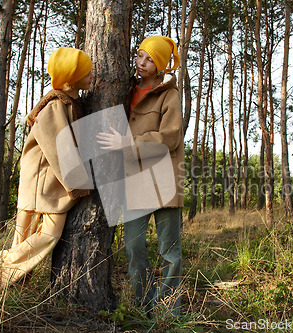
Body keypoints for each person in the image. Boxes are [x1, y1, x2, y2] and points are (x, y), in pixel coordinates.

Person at [0, 47, 94, 290]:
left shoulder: (69, 100)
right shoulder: (55, 105)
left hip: (48, 181)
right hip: (41, 182)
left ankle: (7, 288)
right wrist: (78, 183)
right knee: (46, 235)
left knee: (26, 239)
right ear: (69, 81)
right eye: (86, 72)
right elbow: (60, 148)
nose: (92, 75)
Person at [97, 35, 184, 317]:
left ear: (159, 65)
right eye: (140, 56)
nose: (142, 63)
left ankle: (168, 310)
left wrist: (129, 145)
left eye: (150, 59)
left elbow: (171, 137)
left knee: (169, 251)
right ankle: (145, 305)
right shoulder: (126, 90)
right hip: (134, 182)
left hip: (165, 180)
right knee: (133, 247)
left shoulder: (170, 94)